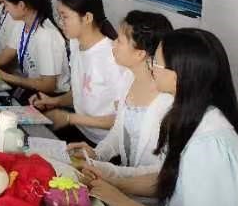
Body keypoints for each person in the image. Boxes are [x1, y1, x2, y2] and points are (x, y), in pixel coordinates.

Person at [84, 29, 238, 206]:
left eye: (156, 63)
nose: (151, 67)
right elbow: (170, 178)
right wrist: (114, 181)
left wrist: (125, 204)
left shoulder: (209, 145)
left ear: (179, 75)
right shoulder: (185, 116)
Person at [69, 11, 173, 182]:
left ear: (140, 54)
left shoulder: (166, 100)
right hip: (124, 181)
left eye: (120, 41)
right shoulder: (128, 77)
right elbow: (119, 130)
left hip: (148, 190)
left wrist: (110, 173)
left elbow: (160, 170)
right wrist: (96, 154)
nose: (113, 44)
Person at [30, 0, 126, 144]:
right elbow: (82, 92)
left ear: (87, 18)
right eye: (59, 16)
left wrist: (69, 118)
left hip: (103, 144)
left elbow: (122, 120)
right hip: (81, 129)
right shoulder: (75, 43)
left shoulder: (112, 58)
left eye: (65, 17)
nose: (60, 22)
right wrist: (53, 101)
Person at [0, 0, 70, 97]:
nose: (6, 9)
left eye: (6, 4)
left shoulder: (46, 35)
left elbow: (48, 85)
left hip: (51, 96)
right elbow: (5, 55)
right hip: (32, 89)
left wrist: (5, 76)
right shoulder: (22, 23)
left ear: (21, 5)